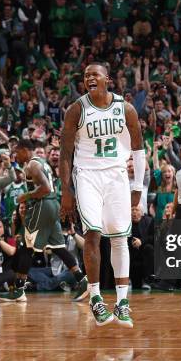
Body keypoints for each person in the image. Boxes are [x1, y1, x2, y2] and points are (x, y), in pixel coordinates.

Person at [60, 63, 144, 327]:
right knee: (92, 234)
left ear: (107, 79)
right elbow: (65, 154)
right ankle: (95, 298)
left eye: (94, 74)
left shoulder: (125, 109)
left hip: (117, 176)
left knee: (120, 238)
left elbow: (139, 150)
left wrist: (138, 187)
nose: (89, 79)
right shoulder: (76, 109)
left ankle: (122, 303)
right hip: (87, 175)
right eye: (85, 76)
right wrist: (65, 190)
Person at [0, 139, 88, 302]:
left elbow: (45, 188)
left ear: (25, 150)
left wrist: (25, 196)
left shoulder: (33, 164)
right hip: (52, 205)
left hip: (43, 205)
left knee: (27, 247)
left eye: (16, 152)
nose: (14, 156)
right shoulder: (42, 163)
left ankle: (18, 289)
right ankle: (82, 280)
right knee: (58, 247)